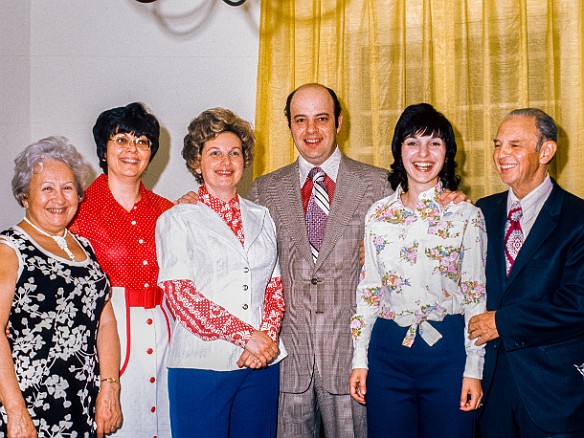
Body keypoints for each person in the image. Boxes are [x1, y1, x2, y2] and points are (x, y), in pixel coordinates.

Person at [349, 103, 486, 438]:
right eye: (413, 142)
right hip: (387, 350)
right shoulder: (377, 215)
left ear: (447, 152)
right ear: (399, 149)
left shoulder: (466, 216)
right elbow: (368, 291)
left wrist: (474, 368)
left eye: (435, 143)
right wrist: (359, 359)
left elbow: (475, 296)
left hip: (447, 351)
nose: (423, 153)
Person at [155, 107, 286, 438]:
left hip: (261, 365)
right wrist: (248, 337)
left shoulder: (262, 216)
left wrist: (266, 338)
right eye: (214, 153)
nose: (225, 162)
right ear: (197, 163)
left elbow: (274, 286)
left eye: (234, 153)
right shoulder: (177, 219)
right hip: (201, 366)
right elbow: (181, 296)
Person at [469, 108, 584, 438]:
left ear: (546, 151)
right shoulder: (481, 210)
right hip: (489, 391)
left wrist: (502, 322)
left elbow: (577, 303)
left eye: (515, 145)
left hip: (552, 391)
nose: (501, 154)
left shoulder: (577, 219)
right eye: (497, 144)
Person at [0, 137, 121, 437]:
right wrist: (15, 410)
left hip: (81, 403)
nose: (59, 198)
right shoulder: (9, 249)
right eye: (47, 188)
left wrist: (109, 387)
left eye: (68, 188)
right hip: (29, 406)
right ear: (24, 196)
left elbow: (105, 322)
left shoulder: (84, 246)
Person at [69, 102, 173, 437]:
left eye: (142, 142)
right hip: (106, 332)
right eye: (122, 140)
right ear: (103, 149)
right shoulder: (78, 208)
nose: (133, 150)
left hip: (164, 329)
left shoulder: (168, 212)